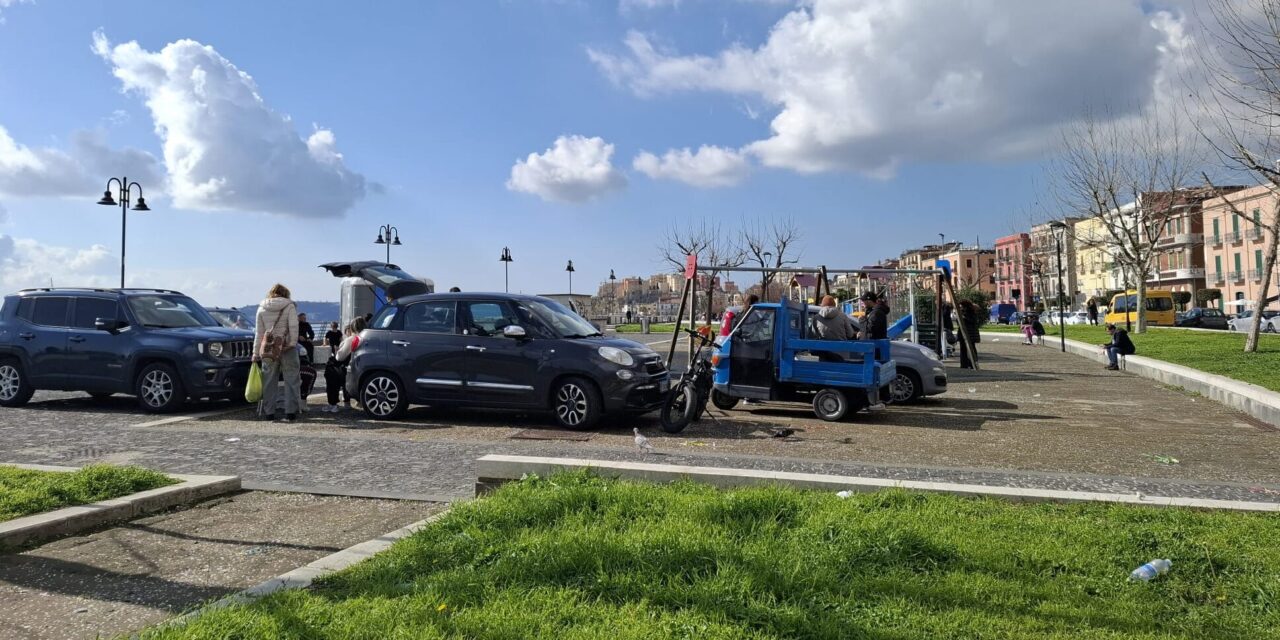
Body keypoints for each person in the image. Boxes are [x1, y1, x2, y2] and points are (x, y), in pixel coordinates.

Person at [254, 284, 302, 422]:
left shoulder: (261, 308)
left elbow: (259, 333)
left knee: (269, 381)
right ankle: (290, 412)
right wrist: (292, 343)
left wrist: (255, 353)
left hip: (268, 349)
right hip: (287, 347)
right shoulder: (289, 306)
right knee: (291, 380)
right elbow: (293, 326)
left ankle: (269, 413)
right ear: (286, 294)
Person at [324, 321, 363, 412]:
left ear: (352, 329)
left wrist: (337, 350)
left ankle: (332, 404)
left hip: (345, 367)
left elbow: (339, 357)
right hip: (356, 366)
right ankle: (347, 402)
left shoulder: (351, 339)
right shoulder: (364, 338)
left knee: (330, 371)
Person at [957, 299, 982, 369]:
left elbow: (972, 321)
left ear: (965, 306)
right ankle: (965, 364)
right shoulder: (965, 312)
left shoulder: (970, 313)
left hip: (969, 333)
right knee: (964, 349)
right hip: (965, 333)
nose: (960, 308)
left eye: (961, 306)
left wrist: (964, 317)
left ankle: (971, 364)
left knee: (970, 349)